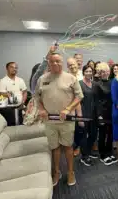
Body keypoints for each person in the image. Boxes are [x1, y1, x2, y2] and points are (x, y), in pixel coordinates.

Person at [35, 53, 84, 186]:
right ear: (49, 63)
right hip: (50, 121)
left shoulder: (70, 78)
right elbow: (37, 98)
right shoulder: (42, 79)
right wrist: (41, 109)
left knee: (68, 147)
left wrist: (68, 109)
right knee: (54, 148)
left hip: (66, 120)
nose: (55, 64)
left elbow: (79, 96)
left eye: (58, 61)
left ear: (62, 62)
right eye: (52, 61)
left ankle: (70, 172)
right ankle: (56, 172)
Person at [94, 62, 117, 165]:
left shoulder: (112, 82)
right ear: (99, 72)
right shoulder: (97, 84)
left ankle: (109, 152)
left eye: (107, 71)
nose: (105, 73)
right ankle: (103, 154)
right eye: (102, 71)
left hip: (112, 111)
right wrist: (99, 115)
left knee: (111, 134)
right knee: (103, 134)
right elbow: (96, 101)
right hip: (102, 113)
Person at [79, 65, 98, 167]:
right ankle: (84, 156)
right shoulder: (79, 84)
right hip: (83, 114)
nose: (89, 73)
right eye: (86, 71)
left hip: (93, 115)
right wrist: (80, 117)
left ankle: (89, 151)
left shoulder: (94, 84)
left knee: (93, 134)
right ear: (83, 72)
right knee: (83, 136)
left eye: (90, 71)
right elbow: (77, 101)